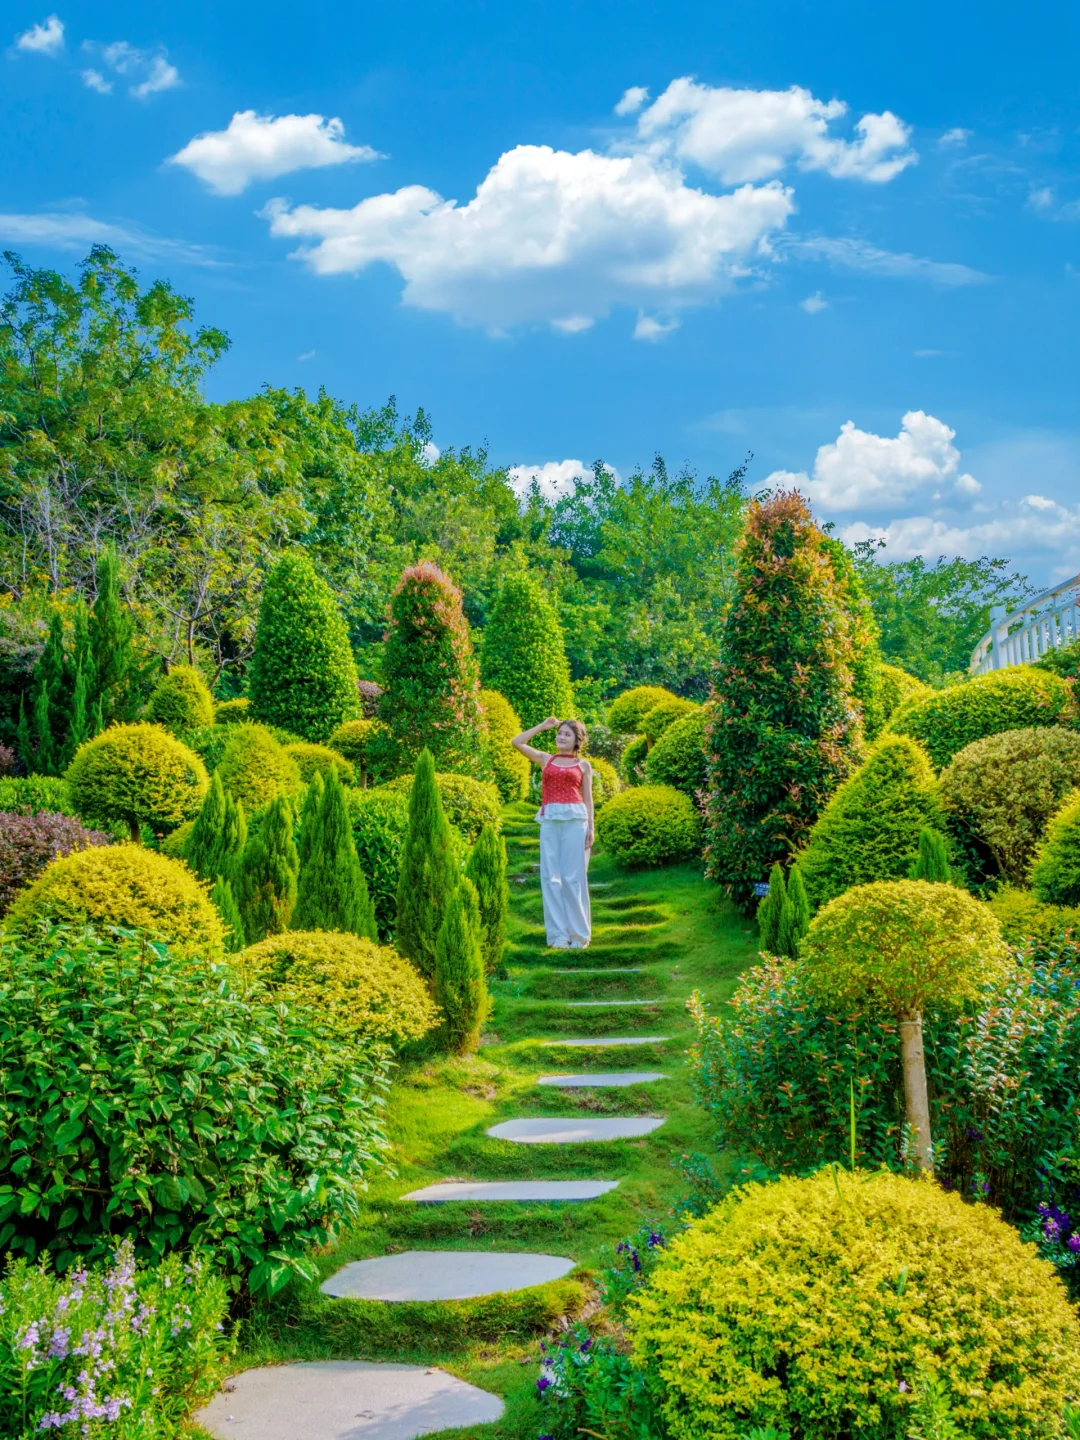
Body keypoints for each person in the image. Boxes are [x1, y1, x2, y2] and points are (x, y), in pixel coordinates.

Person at [512, 716, 593, 949]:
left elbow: (588, 800)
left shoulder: (583, 765)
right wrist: (542, 726)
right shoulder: (546, 759)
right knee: (551, 878)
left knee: (573, 877)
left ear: (577, 740)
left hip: (576, 821)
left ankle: (579, 935)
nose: (561, 737)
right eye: (559, 733)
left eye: (567, 734)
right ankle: (558, 935)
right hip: (550, 820)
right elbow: (517, 742)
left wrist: (591, 829)